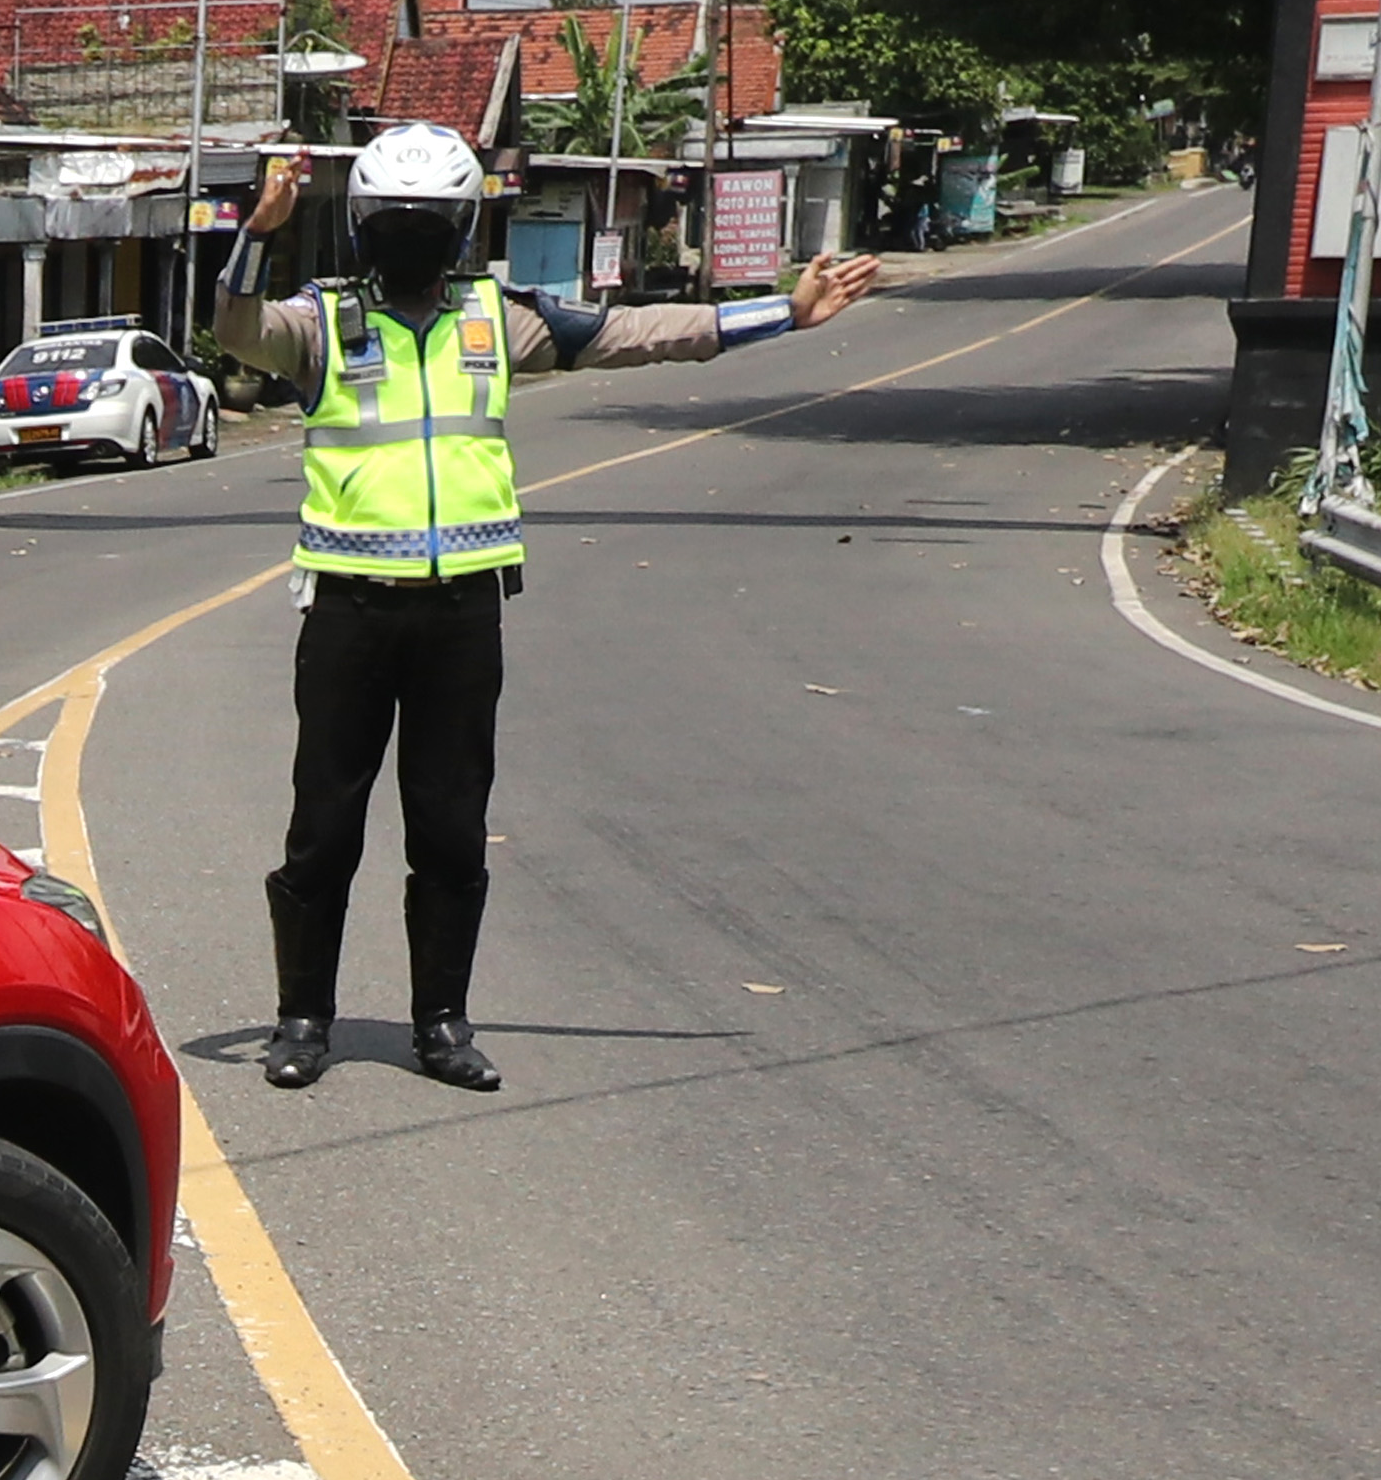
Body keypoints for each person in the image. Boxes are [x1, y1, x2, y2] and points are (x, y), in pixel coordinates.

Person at [213, 122, 884, 1094]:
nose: (409, 239)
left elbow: (639, 334)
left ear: (459, 229)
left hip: (461, 620)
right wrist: (256, 227)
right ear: (362, 226)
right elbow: (234, 328)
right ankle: (302, 1019)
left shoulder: (500, 320)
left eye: (427, 222)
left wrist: (782, 313)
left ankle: (440, 1025)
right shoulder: (320, 323)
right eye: (393, 222)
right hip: (348, 618)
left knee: (448, 827)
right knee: (324, 827)